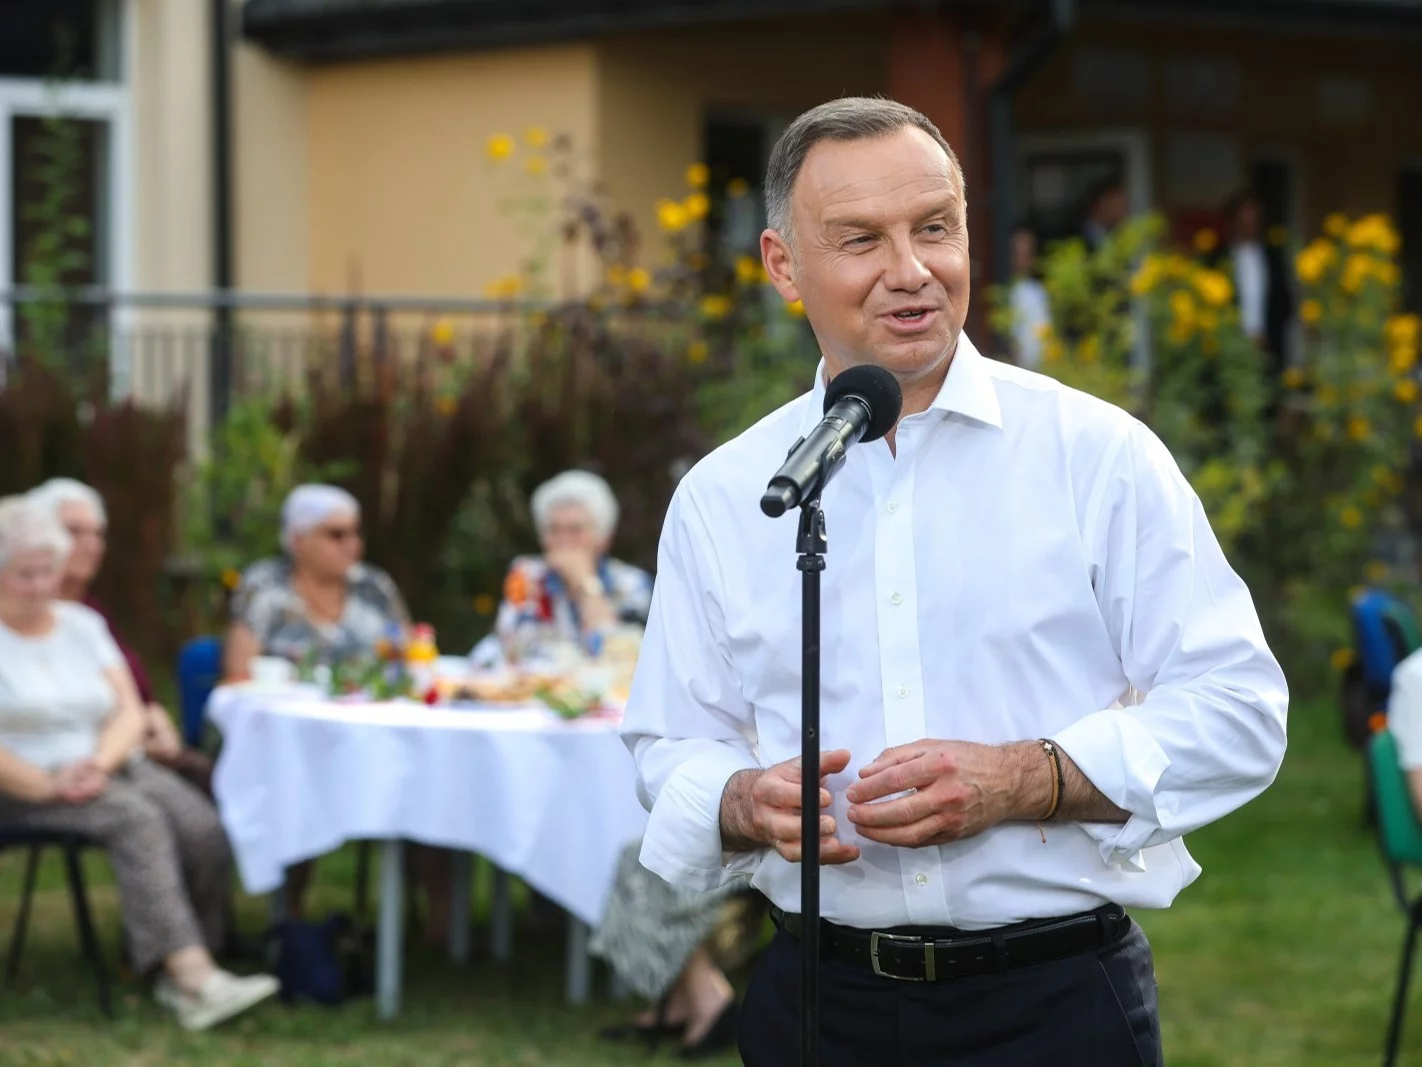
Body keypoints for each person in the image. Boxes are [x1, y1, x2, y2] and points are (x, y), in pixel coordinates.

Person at [622, 97, 1289, 1067]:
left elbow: (1241, 709)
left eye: (935, 227)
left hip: (1056, 1005)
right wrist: (740, 798)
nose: (912, 269)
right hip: (816, 1003)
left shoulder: (1096, 455)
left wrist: (1030, 778)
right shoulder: (729, 493)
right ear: (781, 265)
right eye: (860, 239)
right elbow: (668, 740)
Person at [0, 497, 278, 1030]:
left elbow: (129, 707)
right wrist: (44, 785)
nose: (39, 586)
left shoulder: (80, 624)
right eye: (23, 575)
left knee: (201, 827)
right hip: (24, 784)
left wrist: (100, 763)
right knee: (138, 821)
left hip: (104, 764)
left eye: (47, 572)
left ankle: (188, 958)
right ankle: (191, 975)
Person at [223, 484, 451, 940]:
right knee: (295, 781)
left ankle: (445, 924)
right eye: (336, 534)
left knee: (433, 773)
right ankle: (288, 919)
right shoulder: (265, 589)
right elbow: (237, 674)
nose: (353, 544)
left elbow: (413, 656)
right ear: (298, 540)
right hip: (299, 741)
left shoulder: (372, 586)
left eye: (355, 533)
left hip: (377, 734)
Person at [27, 478, 214, 794]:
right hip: (74, 760)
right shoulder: (22, 621)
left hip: (126, 744)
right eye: (74, 531)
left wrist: (154, 715)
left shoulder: (90, 612)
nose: (91, 544)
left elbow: (134, 682)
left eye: (98, 534)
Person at [494, 470, 653, 665]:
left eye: (576, 530)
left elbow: (624, 658)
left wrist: (586, 584)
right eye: (554, 529)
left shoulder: (631, 583)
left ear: (603, 538)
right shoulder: (528, 575)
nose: (564, 541)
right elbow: (514, 652)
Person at [1006, 225, 1051, 370]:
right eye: (1017, 253)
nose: (1021, 260)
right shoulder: (1000, 291)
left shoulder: (1037, 293)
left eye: (1026, 254)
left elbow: (1041, 338)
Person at [1080, 177, 1128, 251]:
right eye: (1116, 203)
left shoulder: (1115, 236)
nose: (1123, 210)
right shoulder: (1080, 240)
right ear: (1098, 205)